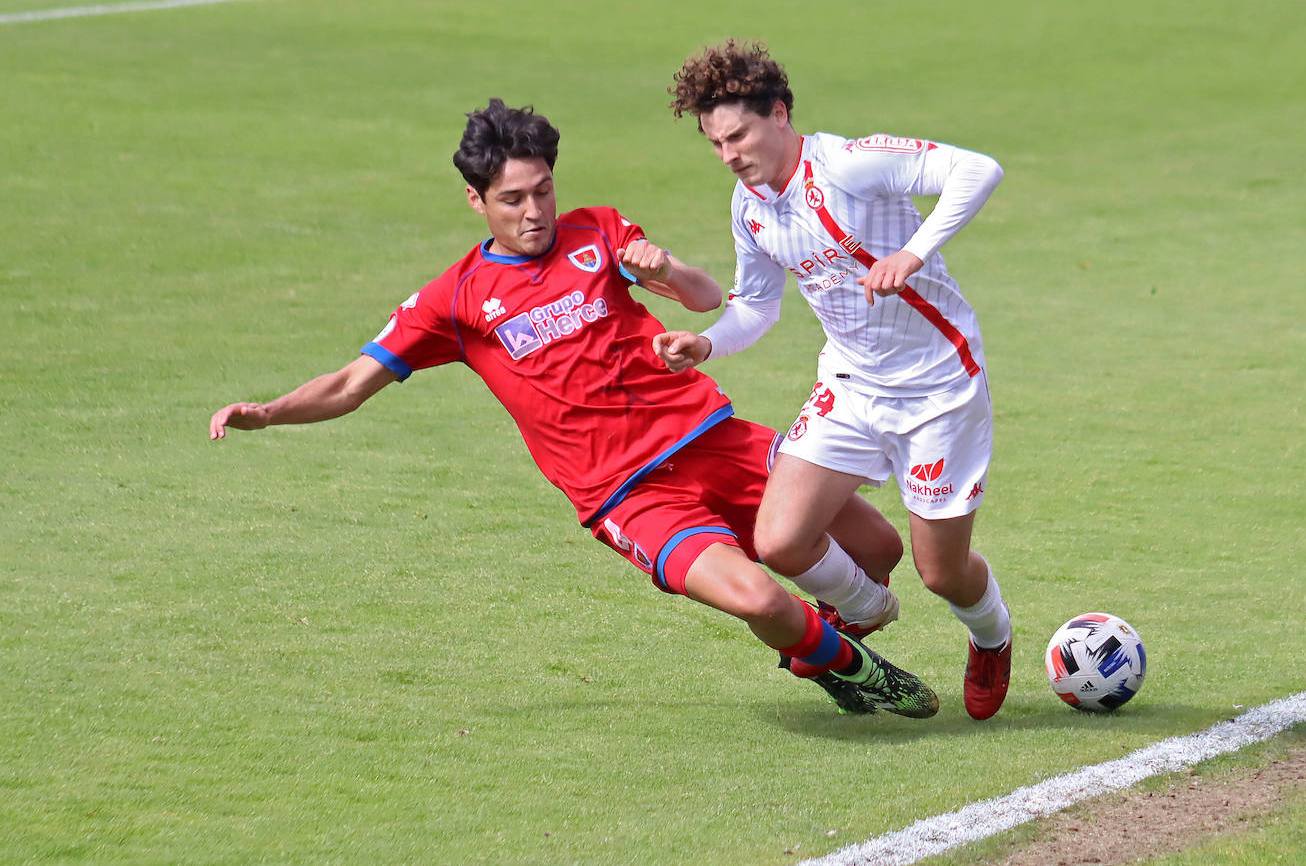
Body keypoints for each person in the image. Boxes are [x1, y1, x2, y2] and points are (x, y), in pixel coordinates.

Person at [209, 98, 938, 718]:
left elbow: (708, 299)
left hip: (713, 437)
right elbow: (348, 384)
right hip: (629, 493)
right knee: (759, 600)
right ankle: (857, 671)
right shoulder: (455, 300)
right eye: (513, 199)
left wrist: (667, 269)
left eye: (543, 191)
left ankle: (818, 654)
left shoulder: (597, 230)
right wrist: (270, 413)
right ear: (476, 201)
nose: (534, 212)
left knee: (880, 550)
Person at [659, 40, 1013, 720]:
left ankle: (991, 637)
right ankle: (867, 608)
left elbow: (978, 170)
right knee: (780, 542)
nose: (729, 155)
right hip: (851, 384)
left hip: (938, 386)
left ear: (780, 113)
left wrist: (912, 253)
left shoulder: (850, 161)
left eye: (738, 135)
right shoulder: (750, 205)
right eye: (715, 143)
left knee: (943, 571)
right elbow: (757, 304)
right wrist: (705, 341)